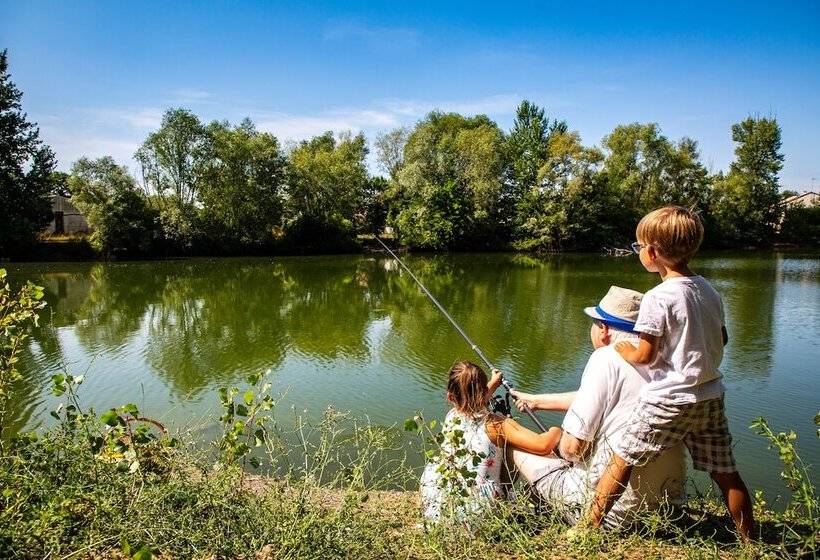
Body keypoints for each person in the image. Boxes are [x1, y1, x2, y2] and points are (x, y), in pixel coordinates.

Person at [588, 206, 754, 540]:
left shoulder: (657, 297)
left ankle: (587, 528)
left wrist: (625, 350)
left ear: (652, 253)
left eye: (638, 247)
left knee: (622, 460)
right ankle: (751, 539)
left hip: (667, 399)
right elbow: (722, 338)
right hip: (709, 396)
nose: (638, 252)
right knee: (726, 473)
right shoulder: (709, 290)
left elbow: (645, 355)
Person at [509, 286, 686, 527]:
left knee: (514, 445)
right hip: (669, 511)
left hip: (612, 515)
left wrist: (553, 443)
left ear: (603, 329)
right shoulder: (668, 362)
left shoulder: (605, 358)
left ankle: (508, 515)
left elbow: (572, 449)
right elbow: (611, 398)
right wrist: (537, 401)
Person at [420, 361, 562, 522]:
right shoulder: (497, 425)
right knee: (512, 447)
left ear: (451, 397)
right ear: (484, 392)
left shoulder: (452, 416)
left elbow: (472, 401)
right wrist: (556, 430)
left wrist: (494, 383)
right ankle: (512, 498)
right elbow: (543, 445)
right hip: (477, 517)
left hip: (438, 510)